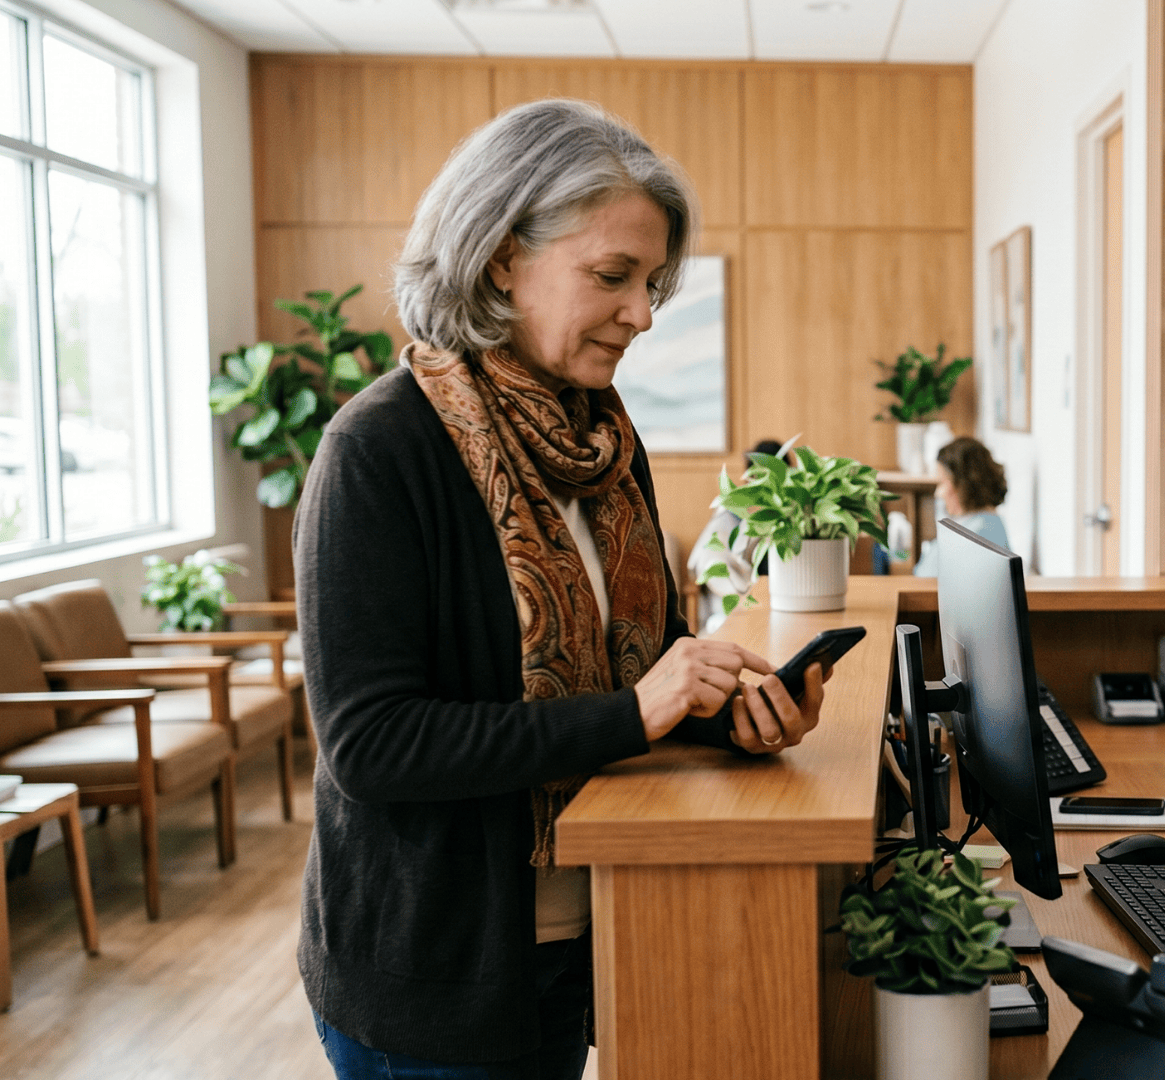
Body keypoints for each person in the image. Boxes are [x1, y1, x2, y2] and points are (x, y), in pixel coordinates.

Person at [295, 99, 830, 1080]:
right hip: (437, 981)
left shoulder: (605, 443)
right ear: (501, 256)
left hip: (589, 942)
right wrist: (642, 711)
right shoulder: (377, 450)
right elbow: (372, 745)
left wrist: (725, 714)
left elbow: (638, 686)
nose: (642, 313)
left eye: (651, 283)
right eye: (612, 276)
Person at [688, 438, 784, 632]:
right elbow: (709, 560)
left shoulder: (794, 513)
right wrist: (749, 595)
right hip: (739, 604)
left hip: (782, 602)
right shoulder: (731, 512)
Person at [913, 436, 1009, 575]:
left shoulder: (962, 539)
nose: (938, 493)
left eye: (942, 482)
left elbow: (921, 578)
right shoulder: (994, 525)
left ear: (961, 486)